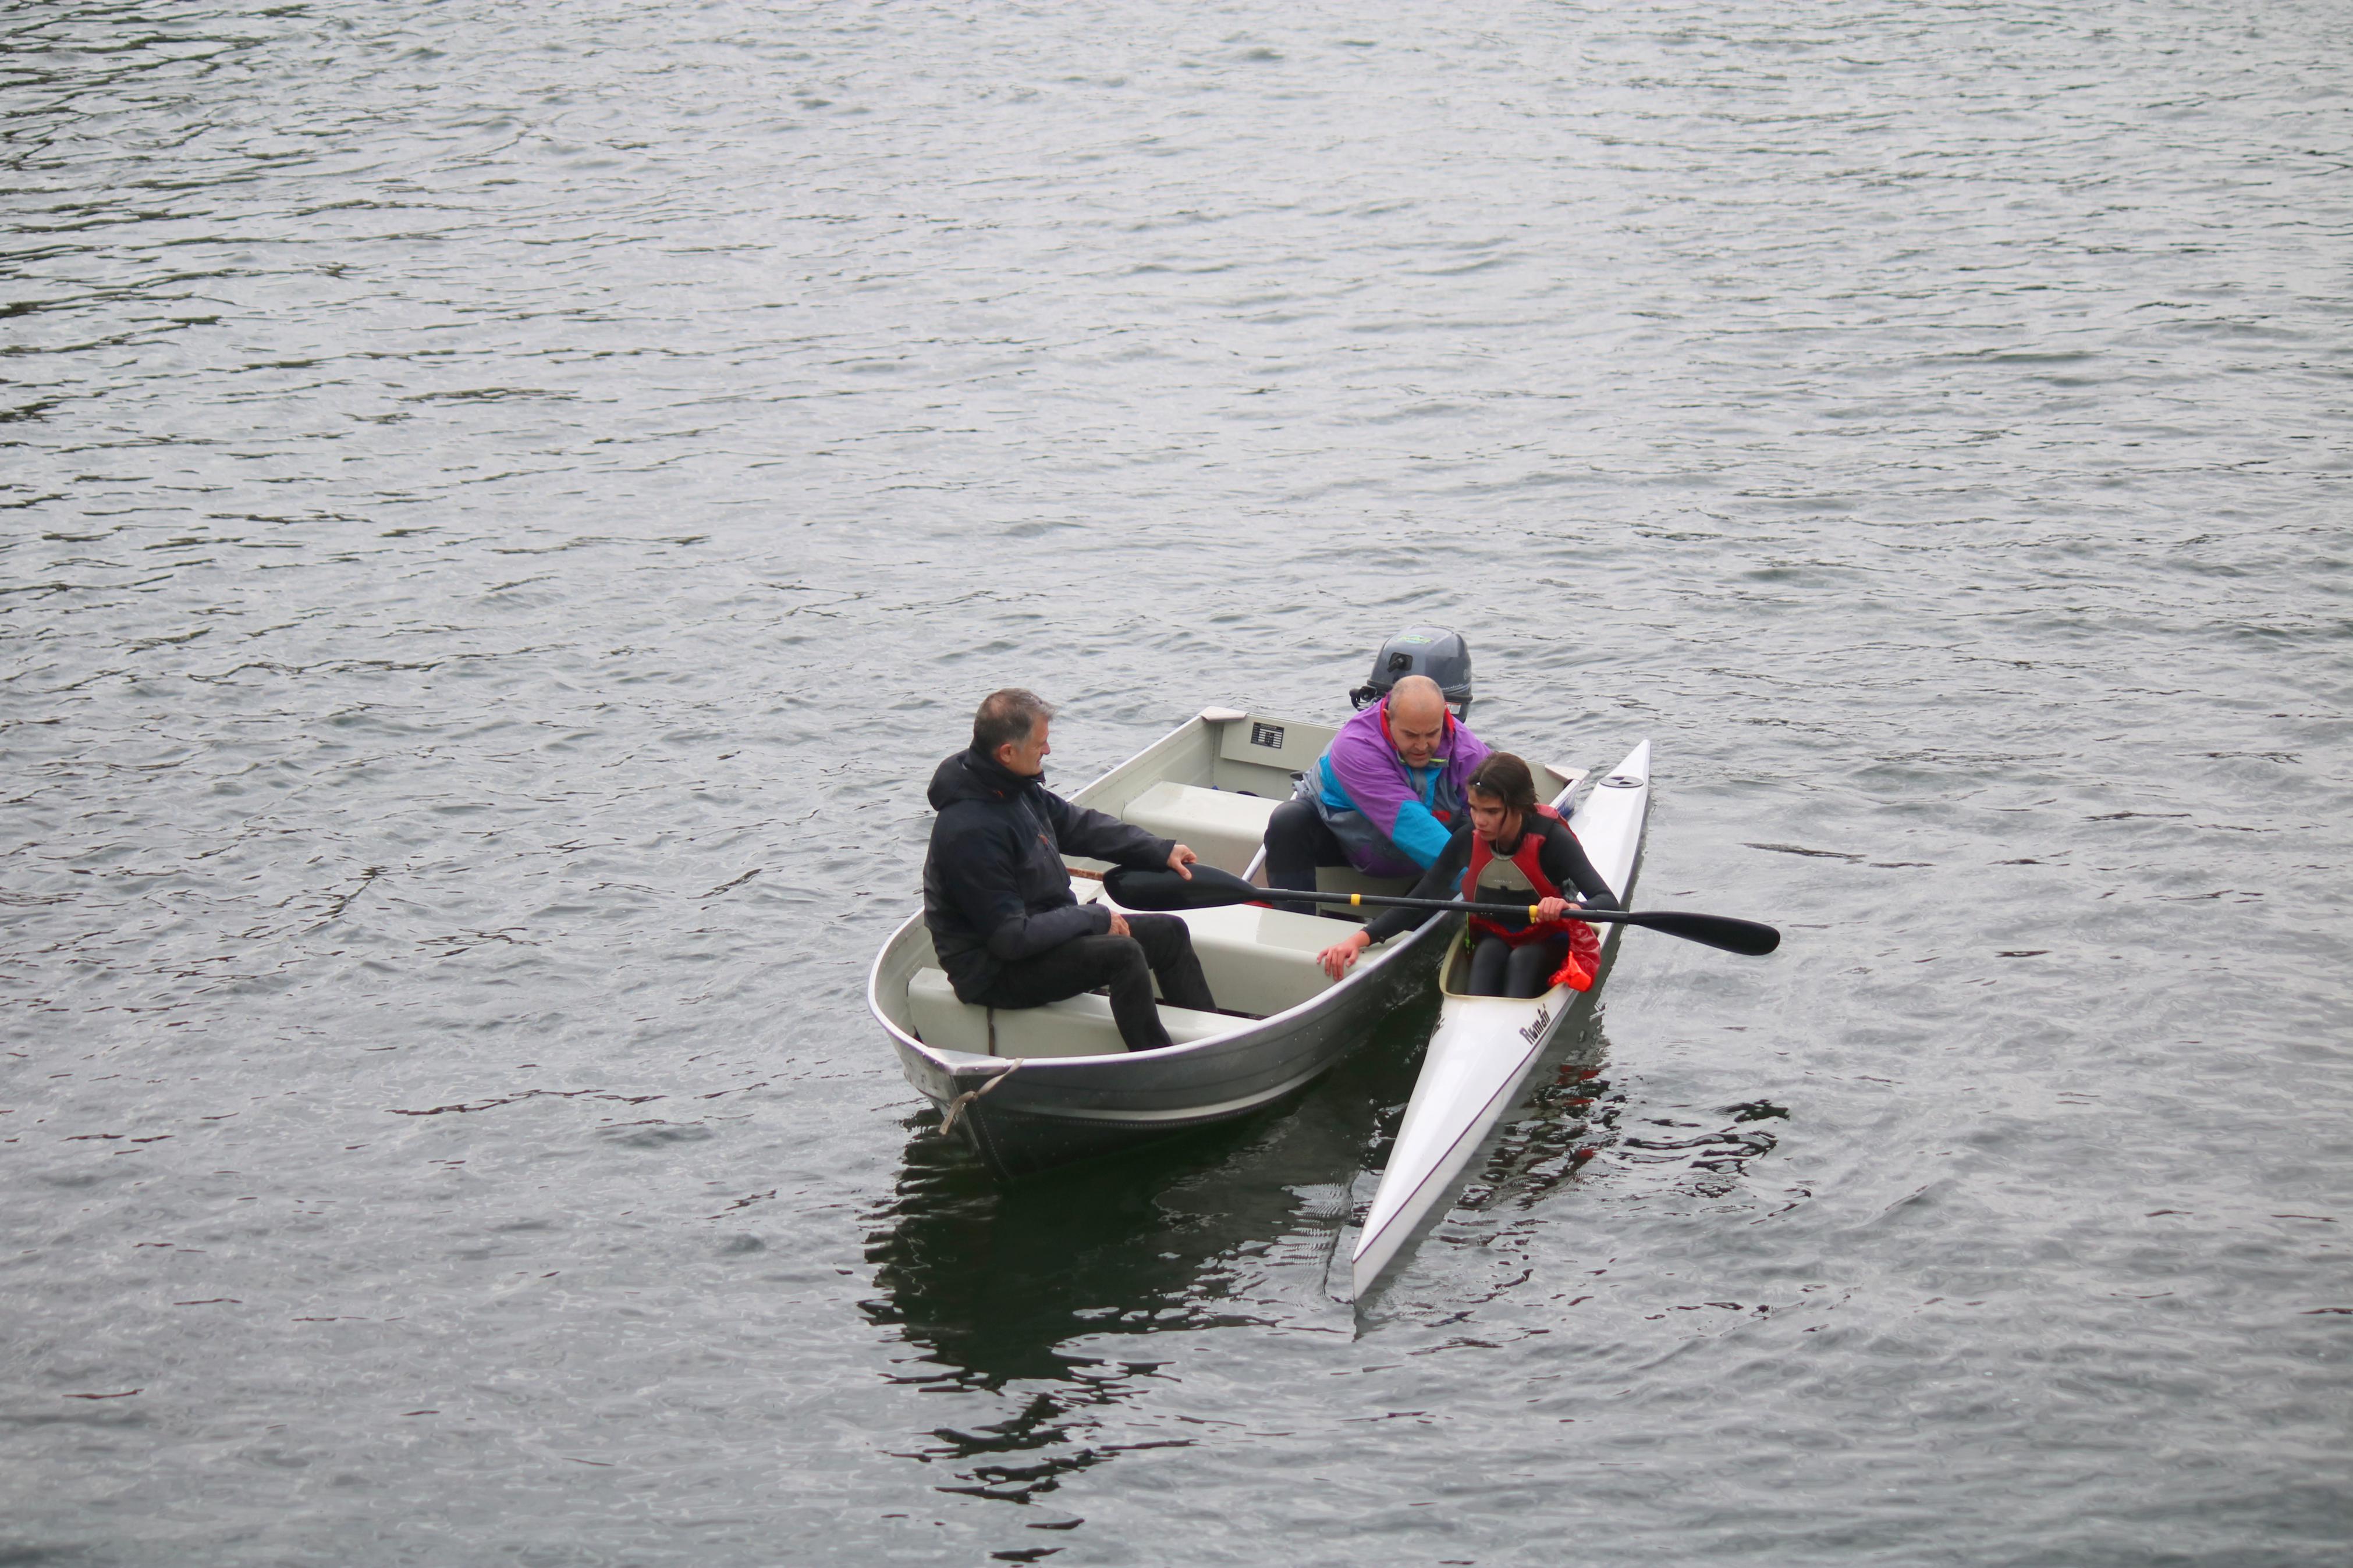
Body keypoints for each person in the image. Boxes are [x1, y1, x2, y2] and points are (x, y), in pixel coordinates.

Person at [922, 688, 1217, 1053]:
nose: (1047, 751)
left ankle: (1211, 1041)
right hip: (995, 971)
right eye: (1040, 744)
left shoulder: (1013, 787)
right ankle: (1158, 1059)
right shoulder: (969, 831)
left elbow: (1078, 826)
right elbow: (1010, 939)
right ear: (1007, 752)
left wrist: (1159, 851)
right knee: (1122, 954)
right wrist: (1093, 918)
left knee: (1169, 933)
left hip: (1043, 932)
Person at [1314, 752, 1623, 998]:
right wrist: (1358, 939)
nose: (1480, 821)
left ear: (1519, 808)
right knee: (1488, 953)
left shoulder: (1553, 841)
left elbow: (1607, 902)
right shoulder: (1468, 838)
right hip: (1494, 936)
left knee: (1522, 960)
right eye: (1474, 809)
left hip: (1548, 938)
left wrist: (1571, 908)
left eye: (1491, 812)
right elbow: (1422, 898)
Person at [1261, 673, 1490, 913]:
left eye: (1432, 734)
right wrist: (1481, 893)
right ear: (1388, 718)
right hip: (1348, 841)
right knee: (1287, 822)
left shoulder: (1469, 751)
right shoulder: (1354, 747)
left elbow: (1513, 810)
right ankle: (1294, 924)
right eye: (1411, 735)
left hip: (1419, 853)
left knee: (1481, 825)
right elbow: (1410, 824)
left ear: (1445, 717)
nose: (1422, 746)